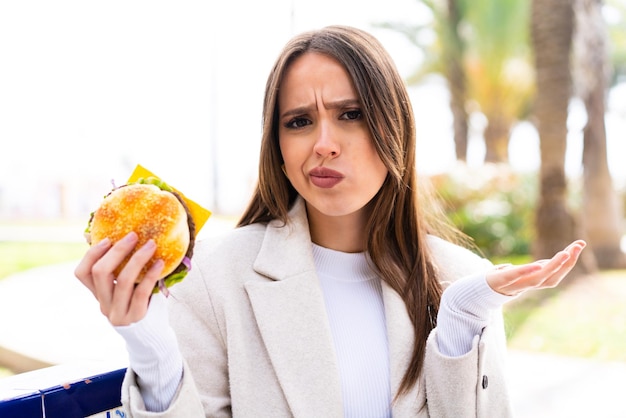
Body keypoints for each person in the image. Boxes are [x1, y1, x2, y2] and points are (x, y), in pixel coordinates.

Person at [75, 25, 586, 417]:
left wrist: (457, 324)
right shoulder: (216, 276)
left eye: (351, 114)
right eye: (298, 122)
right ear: (277, 148)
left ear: (395, 129)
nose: (324, 144)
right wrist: (150, 344)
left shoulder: (463, 278)